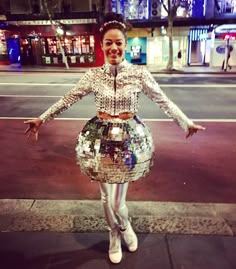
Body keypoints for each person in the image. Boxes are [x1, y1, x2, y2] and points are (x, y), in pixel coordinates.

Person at [24, 13, 205, 264]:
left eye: (118, 42)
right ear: (102, 45)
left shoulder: (139, 74)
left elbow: (163, 100)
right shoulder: (93, 75)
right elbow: (68, 99)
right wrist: (42, 119)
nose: (113, 47)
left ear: (125, 44)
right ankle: (113, 235)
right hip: (100, 141)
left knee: (118, 202)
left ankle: (125, 225)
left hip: (129, 142)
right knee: (105, 198)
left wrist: (185, 122)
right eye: (108, 42)